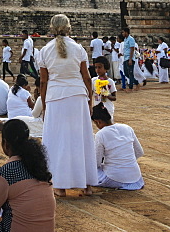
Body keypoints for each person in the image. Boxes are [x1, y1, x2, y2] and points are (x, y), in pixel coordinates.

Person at [38, 13, 97, 197]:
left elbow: (43, 81)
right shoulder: (78, 48)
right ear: (69, 28)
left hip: (55, 97)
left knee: (57, 140)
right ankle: (87, 185)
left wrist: (45, 103)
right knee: (81, 138)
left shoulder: (45, 50)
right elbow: (86, 77)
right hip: (77, 95)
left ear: (51, 28)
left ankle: (59, 186)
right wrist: (90, 99)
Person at [92, 104, 144, 189]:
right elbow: (139, 152)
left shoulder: (101, 134)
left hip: (114, 178)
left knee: (86, 171)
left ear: (98, 121)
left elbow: (96, 163)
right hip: (135, 178)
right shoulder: (127, 128)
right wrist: (125, 162)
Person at [91, 57, 117, 122]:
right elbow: (90, 93)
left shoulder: (110, 81)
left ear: (106, 68)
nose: (97, 70)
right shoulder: (93, 80)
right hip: (97, 107)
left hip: (108, 108)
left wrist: (106, 95)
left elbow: (114, 97)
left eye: (99, 67)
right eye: (96, 67)